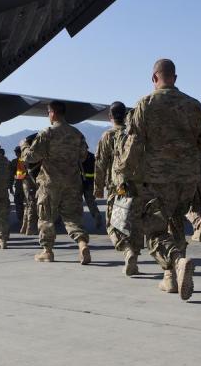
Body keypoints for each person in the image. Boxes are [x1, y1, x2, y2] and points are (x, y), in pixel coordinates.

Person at [115, 59, 201, 300]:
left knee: (154, 228)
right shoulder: (192, 104)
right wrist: (188, 156)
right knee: (177, 222)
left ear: (154, 78)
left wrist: (124, 174)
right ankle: (170, 278)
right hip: (187, 178)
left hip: (156, 178)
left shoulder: (146, 104)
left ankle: (177, 261)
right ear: (175, 78)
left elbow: (134, 143)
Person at [22, 101, 91, 264]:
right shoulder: (77, 133)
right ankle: (82, 244)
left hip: (50, 183)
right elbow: (84, 156)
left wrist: (24, 146)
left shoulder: (47, 133)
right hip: (72, 183)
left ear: (52, 113)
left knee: (46, 217)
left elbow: (32, 157)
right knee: (72, 217)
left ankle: (47, 251)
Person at [95, 101, 141, 275]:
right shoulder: (134, 134)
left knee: (114, 224)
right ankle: (134, 260)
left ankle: (127, 250)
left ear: (110, 116)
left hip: (118, 187)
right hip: (138, 185)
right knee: (135, 224)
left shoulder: (108, 135)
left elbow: (100, 164)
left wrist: (98, 187)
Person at [81, 150, 104, 231]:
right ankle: (96, 215)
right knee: (90, 202)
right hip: (89, 182)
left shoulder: (76, 156)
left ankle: (79, 222)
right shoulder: (92, 156)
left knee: (77, 203)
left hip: (80, 182)